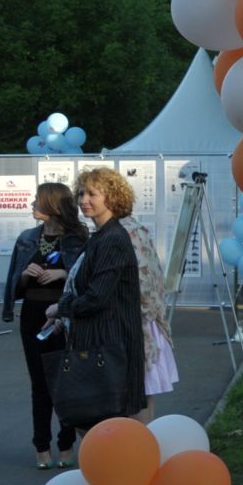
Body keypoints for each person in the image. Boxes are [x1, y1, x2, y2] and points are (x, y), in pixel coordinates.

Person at [47, 168, 146, 458]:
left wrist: (60, 307)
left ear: (112, 197)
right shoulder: (100, 236)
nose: (83, 200)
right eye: (81, 193)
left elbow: (96, 298)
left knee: (104, 422)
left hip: (110, 342)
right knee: (95, 419)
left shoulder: (112, 238)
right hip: (99, 340)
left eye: (92, 194)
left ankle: (121, 480)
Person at [3, 182, 90, 467]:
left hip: (65, 316)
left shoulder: (78, 237)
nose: (32, 204)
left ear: (52, 204)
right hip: (33, 315)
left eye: (37, 200)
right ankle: (41, 446)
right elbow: (15, 288)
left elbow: (88, 281)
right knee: (39, 383)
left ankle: (66, 444)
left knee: (66, 381)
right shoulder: (27, 237)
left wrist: (62, 273)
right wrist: (27, 275)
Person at [120, 214, 178, 420]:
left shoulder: (127, 232)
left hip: (137, 321)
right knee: (142, 392)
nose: (84, 201)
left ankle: (141, 446)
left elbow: (143, 281)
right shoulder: (133, 229)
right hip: (143, 319)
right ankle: (143, 444)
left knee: (139, 392)